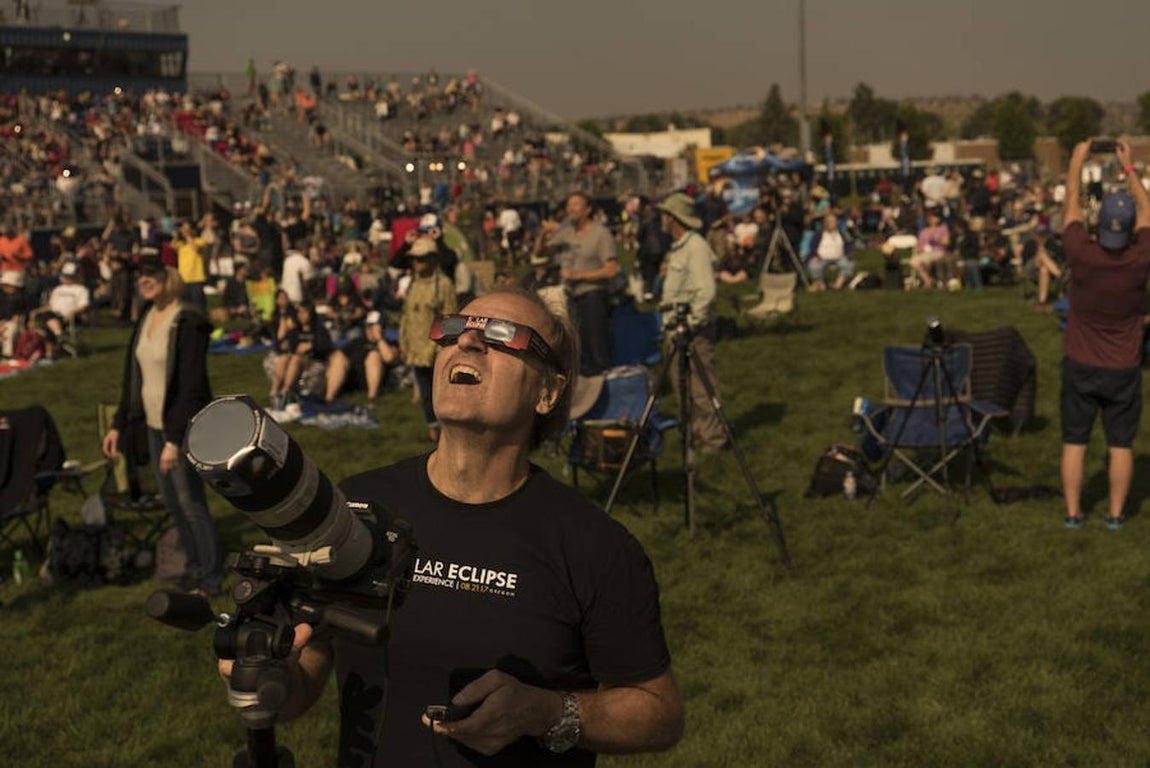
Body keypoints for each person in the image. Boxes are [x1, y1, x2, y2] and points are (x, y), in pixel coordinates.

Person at [220, 287, 684, 766]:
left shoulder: (594, 545)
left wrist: (546, 712)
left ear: (548, 392)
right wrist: (266, 674)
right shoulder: (357, 507)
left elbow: (661, 713)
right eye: (455, 329)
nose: (468, 343)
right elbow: (304, 679)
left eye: (503, 336)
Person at [101, 252, 221, 596]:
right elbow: (132, 378)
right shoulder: (147, 317)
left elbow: (191, 387)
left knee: (190, 501)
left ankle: (210, 578)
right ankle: (195, 567)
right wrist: (117, 424)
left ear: (169, 276)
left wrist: (173, 439)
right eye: (140, 275)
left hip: (180, 428)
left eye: (151, 273)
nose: (144, 280)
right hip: (153, 427)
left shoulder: (189, 321)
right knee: (171, 501)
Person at [1059, 139, 1150, 530]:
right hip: (1122, 366)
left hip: (1080, 361)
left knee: (1075, 442)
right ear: (1129, 230)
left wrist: (1077, 163)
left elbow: (1070, 211)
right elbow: (1147, 209)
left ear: (1100, 226)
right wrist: (1130, 169)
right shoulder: (1140, 258)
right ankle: (1115, 516)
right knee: (1120, 445)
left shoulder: (1082, 253)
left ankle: (1073, 514)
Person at [657, 192, 727, 453]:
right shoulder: (680, 247)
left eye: (665, 214)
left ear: (674, 218)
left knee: (701, 386)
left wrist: (693, 322)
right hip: (678, 330)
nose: (662, 219)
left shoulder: (695, 247)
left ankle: (713, 439)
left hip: (692, 331)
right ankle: (696, 434)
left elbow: (706, 291)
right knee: (681, 385)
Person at [534, 193, 618, 376]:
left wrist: (578, 275)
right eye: (569, 204)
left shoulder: (600, 234)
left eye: (576, 204)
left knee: (597, 350)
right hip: (570, 299)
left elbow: (612, 270)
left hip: (593, 297)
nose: (570, 209)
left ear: (588, 210)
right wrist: (543, 233)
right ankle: (586, 394)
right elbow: (540, 252)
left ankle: (605, 390)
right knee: (578, 352)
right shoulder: (567, 233)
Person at [399, 236, 457, 442]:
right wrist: (403, 342)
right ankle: (433, 429)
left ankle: (450, 432)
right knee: (425, 392)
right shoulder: (413, 283)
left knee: (442, 393)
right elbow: (406, 315)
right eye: (414, 259)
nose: (416, 263)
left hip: (434, 350)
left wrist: (435, 349)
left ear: (433, 259)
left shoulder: (444, 285)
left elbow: (449, 320)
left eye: (421, 259)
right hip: (415, 349)